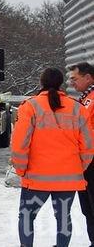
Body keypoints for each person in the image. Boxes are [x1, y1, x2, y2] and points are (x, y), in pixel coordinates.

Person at [11, 67, 94, 247]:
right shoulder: (78, 109)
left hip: (35, 177)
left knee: (26, 216)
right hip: (68, 178)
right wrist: (79, 167)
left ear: (41, 83)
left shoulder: (30, 107)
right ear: (61, 84)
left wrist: (20, 169)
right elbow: (88, 146)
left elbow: (19, 144)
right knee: (63, 217)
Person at [69, 62, 94, 245]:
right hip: (86, 161)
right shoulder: (87, 97)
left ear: (88, 77)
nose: (72, 83)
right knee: (88, 209)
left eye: (74, 79)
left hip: (92, 160)